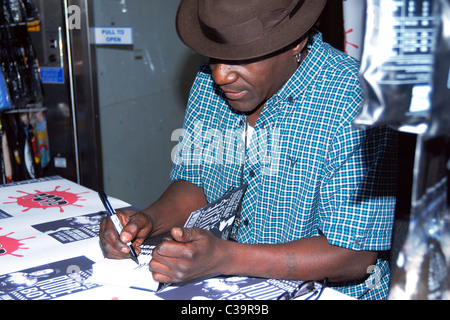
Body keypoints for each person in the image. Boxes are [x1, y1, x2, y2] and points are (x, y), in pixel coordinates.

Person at [99, 0, 398, 300]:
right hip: (235, 288)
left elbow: (354, 257)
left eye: (241, 58)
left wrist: (226, 257)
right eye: (215, 57)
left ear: (297, 41)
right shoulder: (209, 86)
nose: (221, 76)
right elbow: (196, 184)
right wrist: (147, 222)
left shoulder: (355, 99)